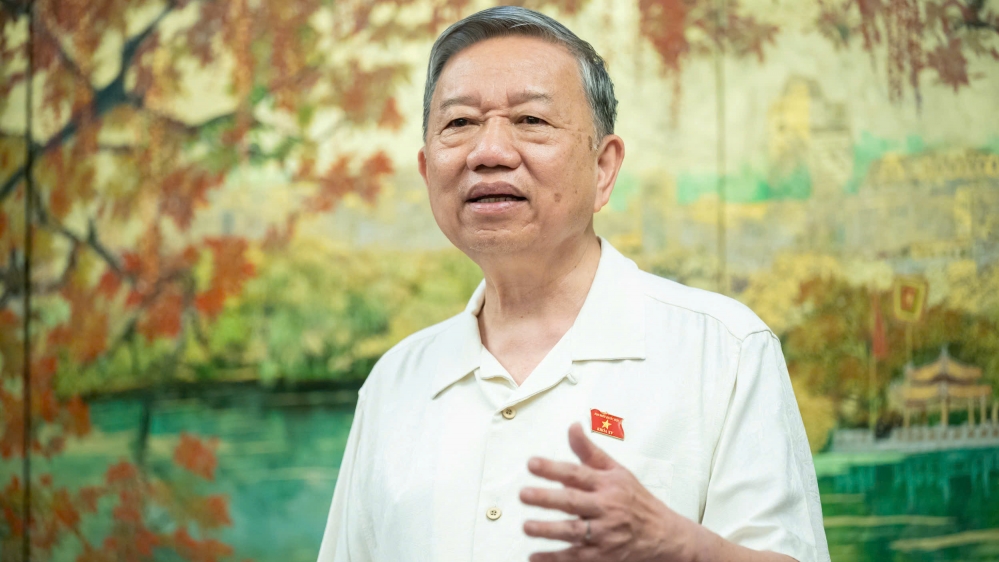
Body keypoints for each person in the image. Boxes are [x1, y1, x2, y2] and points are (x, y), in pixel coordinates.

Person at [317, 6, 829, 562]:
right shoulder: (395, 382)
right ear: (426, 171)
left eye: (531, 120)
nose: (489, 153)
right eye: (459, 123)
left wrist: (680, 547)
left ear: (603, 168)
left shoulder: (723, 350)